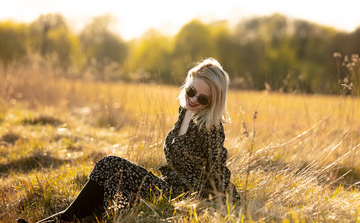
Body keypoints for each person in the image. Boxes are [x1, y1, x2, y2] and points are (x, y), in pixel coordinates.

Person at [17, 58, 240, 223]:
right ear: (187, 84)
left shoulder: (210, 126)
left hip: (181, 194)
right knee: (112, 183)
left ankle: (64, 221)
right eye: (191, 91)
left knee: (111, 164)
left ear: (214, 101)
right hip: (167, 184)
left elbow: (218, 170)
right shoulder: (186, 111)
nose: (192, 99)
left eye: (201, 98)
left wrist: (231, 204)